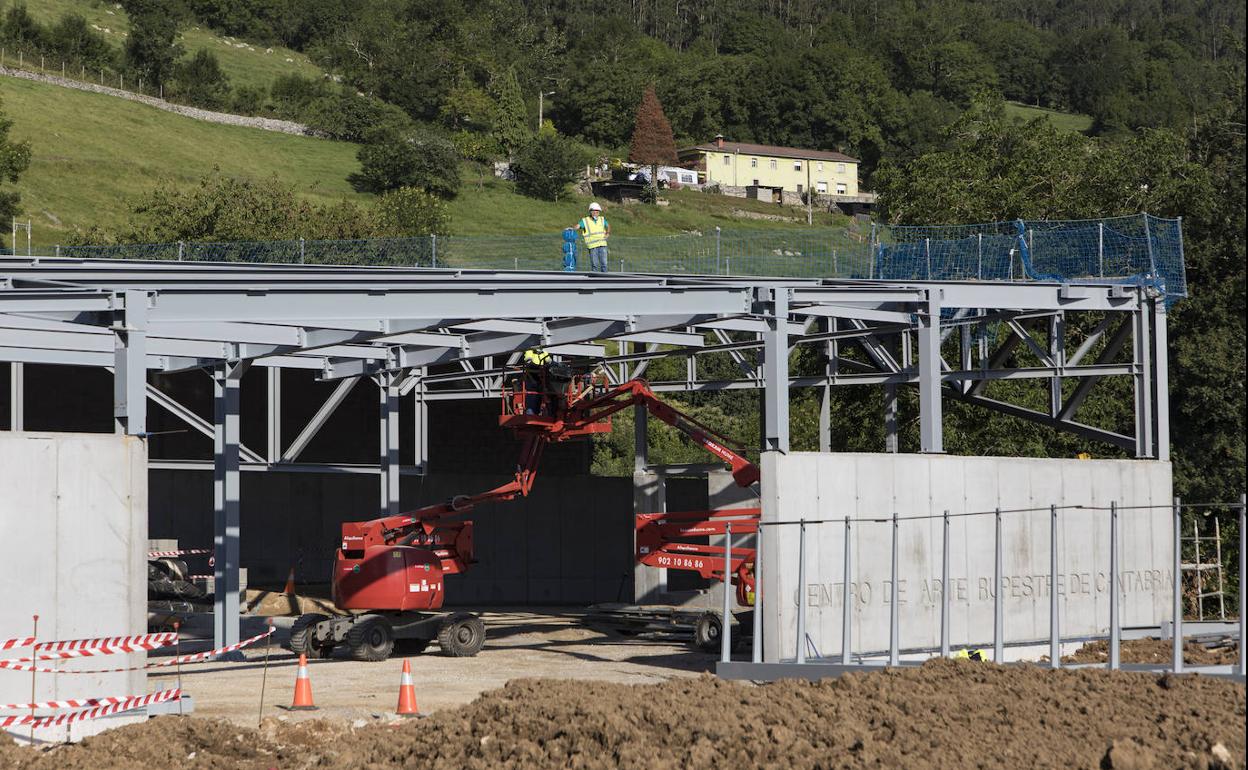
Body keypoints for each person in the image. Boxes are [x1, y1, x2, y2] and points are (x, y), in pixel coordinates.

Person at [578, 202, 610, 273]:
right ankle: (594, 282)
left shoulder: (602, 219)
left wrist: (607, 233)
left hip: (602, 245)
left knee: (604, 264)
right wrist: (571, 228)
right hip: (592, 246)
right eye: (594, 211)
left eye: (597, 211)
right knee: (594, 265)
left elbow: (608, 226)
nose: (596, 213)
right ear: (590, 211)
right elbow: (578, 226)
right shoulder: (585, 221)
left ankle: (605, 280)